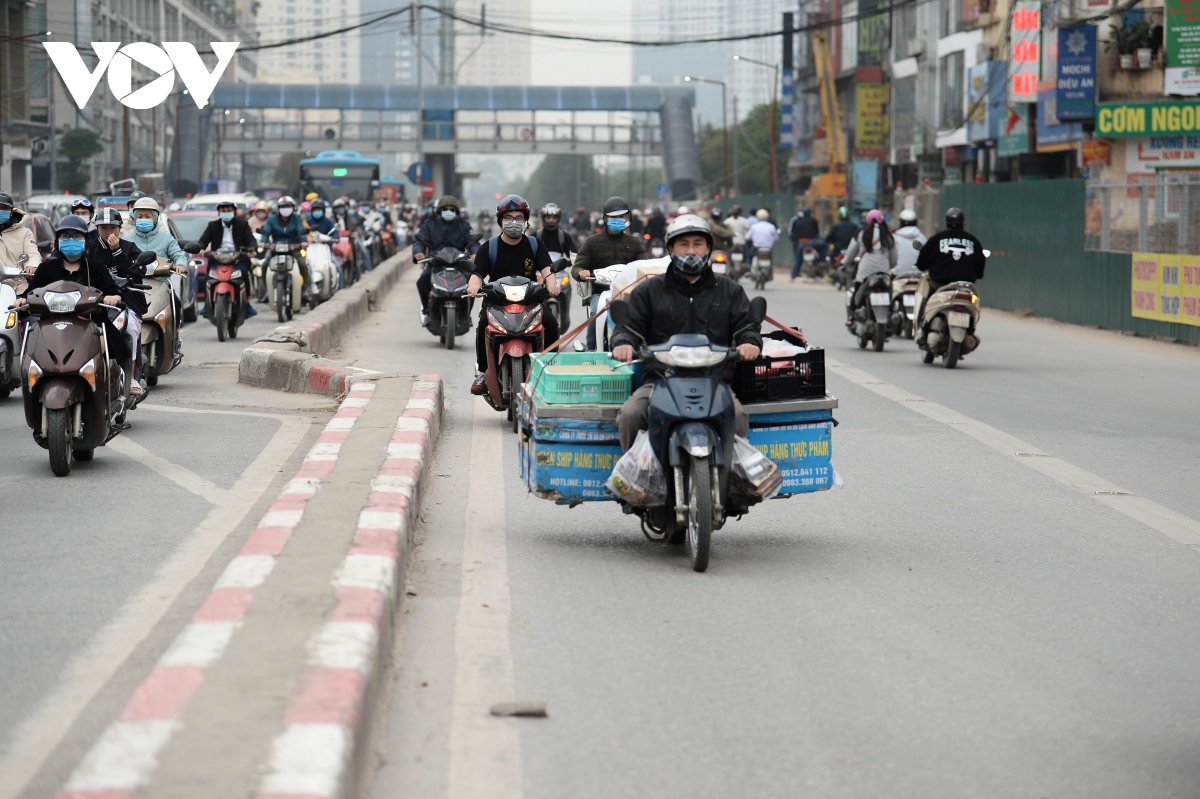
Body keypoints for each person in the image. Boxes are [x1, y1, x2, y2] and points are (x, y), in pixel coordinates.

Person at [610, 214, 762, 451]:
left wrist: (750, 342)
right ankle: (639, 478)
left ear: (708, 247)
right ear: (670, 248)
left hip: (714, 381)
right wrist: (623, 343)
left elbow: (746, 326)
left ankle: (731, 480)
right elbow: (628, 327)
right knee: (630, 416)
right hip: (661, 380)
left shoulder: (729, 290)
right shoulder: (648, 291)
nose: (691, 251)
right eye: (683, 244)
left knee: (739, 417)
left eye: (697, 244)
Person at [466, 194, 561, 395]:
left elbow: (547, 270)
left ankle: (550, 367)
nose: (513, 223)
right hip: (496, 303)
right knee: (483, 324)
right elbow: (477, 273)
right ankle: (482, 372)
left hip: (530, 302)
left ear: (526, 221)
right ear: (500, 221)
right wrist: (473, 285)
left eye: (518, 218)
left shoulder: (535, 245)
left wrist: (552, 284)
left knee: (551, 321)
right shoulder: (489, 247)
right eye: (508, 218)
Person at [16, 214, 130, 364]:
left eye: (77, 236)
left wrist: (113, 297)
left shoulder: (95, 268)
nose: (71, 240)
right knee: (33, 353)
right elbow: (31, 291)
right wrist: (23, 299)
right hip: (51, 326)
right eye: (65, 236)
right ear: (57, 242)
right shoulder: (46, 268)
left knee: (105, 344)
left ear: (86, 241)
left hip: (91, 324)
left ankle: (106, 380)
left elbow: (113, 290)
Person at [571, 196, 646, 351]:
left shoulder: (634, 243)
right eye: (613, 217)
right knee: (594, 312)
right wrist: (581, 272)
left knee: (642, 314)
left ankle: (641, 348)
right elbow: (577, 267)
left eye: (621, 217)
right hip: (600, 293)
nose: (618, 220)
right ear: (605, 218)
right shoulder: (591, 242)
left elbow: (643, 266)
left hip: (627, 293)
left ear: (627, 218)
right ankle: (591, 349)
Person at [89, 208, 150, 394]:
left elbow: (137, 272)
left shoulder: (130, 248)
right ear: (97, 228)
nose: (109, 232)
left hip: (126, 299)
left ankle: (131, 377)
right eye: (104, 228)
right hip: (94, 300)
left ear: (120, 228)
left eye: (113, 228)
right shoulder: (89, 249)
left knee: (130, 328)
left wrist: (117, 252)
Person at [123, 197, 189, 357]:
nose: (143, 220)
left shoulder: (166, 238)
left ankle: (175, 338)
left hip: (160, 283)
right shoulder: (127, 239)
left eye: (147, 216)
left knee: (176, 305)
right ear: (134, 217)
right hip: (134, 286)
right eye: (140, 216)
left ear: (155, 218)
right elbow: (120, 259)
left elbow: (178, 254)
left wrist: (180, 264)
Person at [913, 207, 987, 344]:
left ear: (946, 223)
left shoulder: (936, 239)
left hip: (939, 287)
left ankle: (923, 330)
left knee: (926, 300)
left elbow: (922, 264)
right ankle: (970, 331)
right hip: (966, 289)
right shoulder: (974, 241)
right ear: (963, 223)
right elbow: (980, 270)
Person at [414, 195, 479, 325]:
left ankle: (467, 314)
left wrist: (475, 253)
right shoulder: (429, 225)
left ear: (456, 211)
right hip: (436, 263)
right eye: (445, 209)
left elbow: (472, 242)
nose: (448, 211)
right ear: (439, 210)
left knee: (473, 284)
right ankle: (426, 309)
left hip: (459, 264)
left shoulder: (463, 225)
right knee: (422, 281)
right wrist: (418, 252)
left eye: (451, 209)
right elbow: (419, 241)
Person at [198, 200, 258, 316]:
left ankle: (247, 303)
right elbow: (203, 240)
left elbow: (251, 240)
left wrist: (252, 250)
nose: (226, 212)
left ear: (234, 212)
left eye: (229, 210)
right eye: (223, 211)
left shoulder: (243, 224)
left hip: (238, 259)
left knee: (244, 273)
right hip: (217, 259)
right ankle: (207, 304)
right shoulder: (212, 225)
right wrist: (200, 249)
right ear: (219, 213)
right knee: (209, 277)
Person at [842, 209, 898, 326]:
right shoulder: (887, 236)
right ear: (882, 220)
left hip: (864, 275)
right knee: (890, 295)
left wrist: (844, 263)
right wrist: (888, 268)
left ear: (866, 220)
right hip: (884, 275)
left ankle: (851, 318)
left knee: (856, 294)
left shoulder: (860, 234)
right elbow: (894, 259)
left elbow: (850, 254)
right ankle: (892, 313)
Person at [258, 196, 314, 304]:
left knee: (303, 264)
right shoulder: (272, 219)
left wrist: (303, 241)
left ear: (293, 208)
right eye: (283, 206)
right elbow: (266, 232)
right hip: (275, 249)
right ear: (278, 208)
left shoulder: (297, 218)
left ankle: (305, 290)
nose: (285, 208)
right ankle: (267, 291)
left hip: (294, 248)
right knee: (265, 265)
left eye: (288, 206)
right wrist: (263, 242)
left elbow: (300, 230)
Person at [0, 192, 44, 269]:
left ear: (11, 212)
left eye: (4, 208)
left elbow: (32, 254)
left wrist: (31, 266)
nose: (0, 211)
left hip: (17, 280)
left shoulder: (25, 233)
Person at [788, 207, 827, 280]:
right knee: (825, 246)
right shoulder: (813, 220)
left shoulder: (799, 221)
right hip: (812, 242)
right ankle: (822, 261)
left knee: (798, 259)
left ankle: (793, 276)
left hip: (801, 243)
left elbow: (795, 233)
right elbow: (817, 232)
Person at [892, 209, 926, 274]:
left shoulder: (894, 237)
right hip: (918, 274)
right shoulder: (922, 237)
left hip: (897, 274)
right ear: (916, 222)